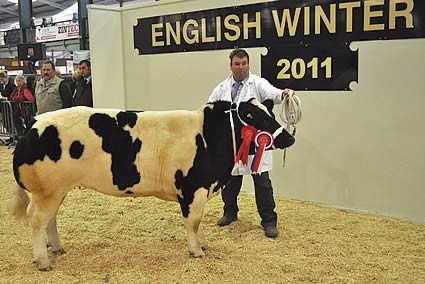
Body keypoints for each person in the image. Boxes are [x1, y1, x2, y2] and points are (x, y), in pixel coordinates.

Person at [208, 48, 294, 238]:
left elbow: (273, 93)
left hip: (257, 143)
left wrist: (284, 94)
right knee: (230, 180)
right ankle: (230, 212)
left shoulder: (258, 83)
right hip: (232, 143)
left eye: (244, 63)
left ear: (248, 64)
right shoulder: (221, 88)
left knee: (262, 183)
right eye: (237, 64)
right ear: (231, 65)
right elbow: (210, 108)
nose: (241, 67)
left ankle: (269, 221)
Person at [10, 75, 34, 139]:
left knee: (28, 121)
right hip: (21, 108)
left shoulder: (26, 88)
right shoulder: (16, 88)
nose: (18, 82)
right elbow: (11, 96)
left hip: (27, 108)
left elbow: (24, 98)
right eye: (17, 81)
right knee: (15, 115)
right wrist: (16, 98)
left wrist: (16, 98)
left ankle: (29, 134)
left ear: (23, 81)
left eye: (19, 80)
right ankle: (20, 133)